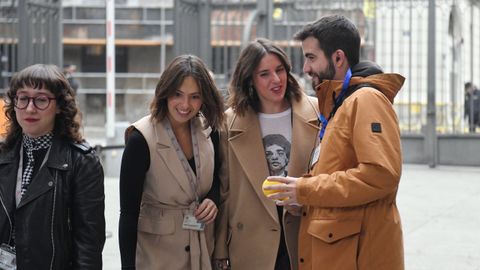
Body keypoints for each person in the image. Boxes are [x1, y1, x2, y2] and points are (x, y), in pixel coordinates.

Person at [265, 15, 405, 269]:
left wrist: (305, 190)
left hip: (359, 257)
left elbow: (380, 175)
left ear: (338, 58)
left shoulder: (366, 100)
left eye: (311, 57)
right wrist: (304, 200)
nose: (305, 68)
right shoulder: (341, 104)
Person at [213, 38, 319, 270]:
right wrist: (220, 247)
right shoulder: (229, 123)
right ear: (249, 78)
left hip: (304, 230)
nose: (276, 80)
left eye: (280, 70)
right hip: (251, 239)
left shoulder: (317, 112)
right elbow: (224, 189)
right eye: (264, 74)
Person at [118, 54, 225, 269]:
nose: (185, 105)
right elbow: (128, 214)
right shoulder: (140, 139)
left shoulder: (209, 130)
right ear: (165, 92)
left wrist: (213, 198)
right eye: (178, 94)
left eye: (195, 96)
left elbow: (217, 179)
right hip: (156, 256)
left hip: (202, 250)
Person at [0, 64, 105, 269]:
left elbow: (89, 245)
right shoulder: (3, 154)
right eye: (23, 98)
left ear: (59, 106)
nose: (30, 108)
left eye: (41, 99)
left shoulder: (82, 162)